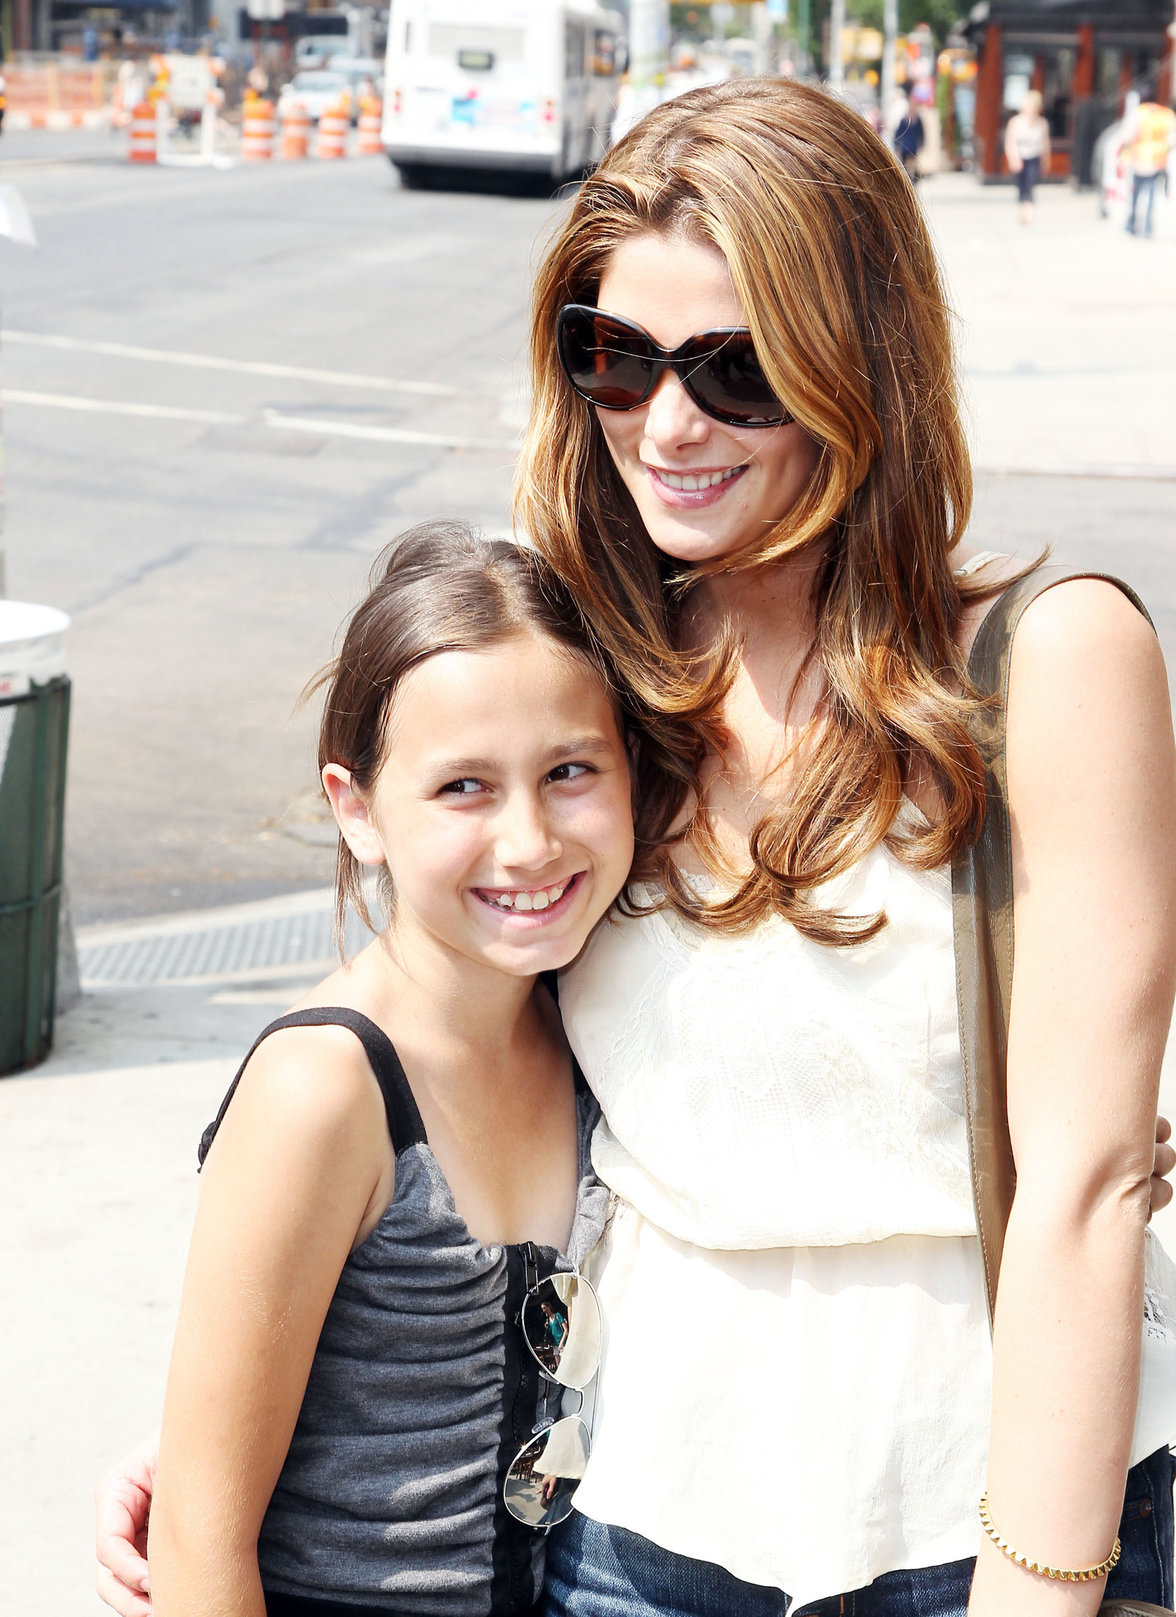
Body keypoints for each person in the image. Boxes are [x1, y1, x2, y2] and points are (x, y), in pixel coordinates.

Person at [97, 79, 1176, 1617]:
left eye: (735, 371)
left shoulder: (1048, 665)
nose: (667, 426)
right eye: (616, 359)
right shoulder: (601, 668)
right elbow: (444, 1010)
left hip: (988, 1510)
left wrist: (1041, 1585)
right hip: (642, 1521)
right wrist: (233, 1419)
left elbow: (1086, 1191)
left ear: (861, 360)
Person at [140, 520, 654, 1617]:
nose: (528, 842)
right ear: (357, 809)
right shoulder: (324, 1087)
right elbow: (196, 1537)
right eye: (463, 788)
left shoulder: (591, 1019)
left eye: (569, 771)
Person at [1120, 83, 1176, 238]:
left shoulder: (1138, 113)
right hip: (1158, 159)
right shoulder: (1166, 114)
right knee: (1151, 194)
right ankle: (1147, 227)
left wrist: (1124, 155)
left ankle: (1132, 223)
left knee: (1136, 193)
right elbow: (1172, 138)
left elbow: (1128, 136)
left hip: (1139, 158)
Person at [1004, 89, 1051, 224]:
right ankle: (1022, 210)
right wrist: (1013, 158)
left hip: (1034, 157)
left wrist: (1046, 160)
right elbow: (1010, 142)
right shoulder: (1015, 122)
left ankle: (1028, 212)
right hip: (1020, 157)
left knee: (1030, 184)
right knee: (1021, 186)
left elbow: (1045, 143)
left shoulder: (1042, 123)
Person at [893, 95, 925, 184]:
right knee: (904, 165)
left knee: (913, 165)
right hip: (904, 146)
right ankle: (906, 181)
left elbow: (921, 133)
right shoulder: (904, 120)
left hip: (913, 146)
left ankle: (912, 180)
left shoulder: (918, 120)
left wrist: (922, 144)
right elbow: (898, 133)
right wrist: (896, 145)